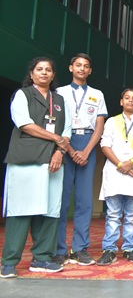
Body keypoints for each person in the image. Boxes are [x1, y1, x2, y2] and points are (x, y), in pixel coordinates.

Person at [1, 58, 73, 278]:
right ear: (31, 74)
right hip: (26, 160)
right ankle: (9, 262)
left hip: (53, 161)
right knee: (20, 210)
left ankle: (42, 258)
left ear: (53, 75)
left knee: (50, 210)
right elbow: (24, 124)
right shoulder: (22, 95)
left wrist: (60, 152)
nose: (44, 73)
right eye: (39, 69)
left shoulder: (59, 100)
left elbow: (67, 129)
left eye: (48, 70)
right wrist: (56, 138)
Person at [55, 53, 107, 266]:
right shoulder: (59, 92)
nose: (82, 69)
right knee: (61, 199)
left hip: (88, 141)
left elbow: (99, 126)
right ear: (71, 68)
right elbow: (55, 122)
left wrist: (86, 151)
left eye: (86, 66)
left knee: (84, 200)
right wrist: (67, 148)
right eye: (78, 65)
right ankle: (59, 249)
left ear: (90, 71)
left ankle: (79, 248)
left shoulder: (97, 94)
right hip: (63, 141)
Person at [96, 88, 133, 265]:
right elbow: (105, 145)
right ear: (121, 101)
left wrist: (132, 162)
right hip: (115, 171)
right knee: (113, 214)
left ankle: (129, 248)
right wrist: (121, 164)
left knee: (132, 215)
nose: (130, 101)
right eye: (127, 98)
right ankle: (109, 249)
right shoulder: (112, 122)